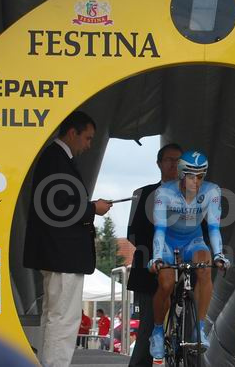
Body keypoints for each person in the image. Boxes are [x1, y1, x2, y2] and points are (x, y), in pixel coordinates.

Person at [23, 111, 113, 367]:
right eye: (88, 138)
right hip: (62, 252)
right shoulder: (56, 159)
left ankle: (48, 363)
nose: (89, 145)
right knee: (63, 317)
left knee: (55, 315)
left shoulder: (55, 159)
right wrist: (92, 208)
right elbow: (58, 205)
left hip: (57, 252)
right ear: (72, 133)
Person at [148, 150, 230, 365]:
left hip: (193, 240)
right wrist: (157, 257)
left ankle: (199, 329)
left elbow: (213, 227)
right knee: (166, 284)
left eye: (201, 176)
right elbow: (160, 229)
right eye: (191, 176)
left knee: (205, 267)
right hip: (168, 242)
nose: (196, 182)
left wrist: (219, 255)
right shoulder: (164, 192)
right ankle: (158, 331)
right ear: (181, 175)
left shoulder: (212, 191)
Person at [127, 144, 182, 367]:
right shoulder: (144, 194)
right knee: (148, 330)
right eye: (169, 160)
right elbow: (133, 233)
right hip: (151, 271)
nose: (174, 164)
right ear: (159, 164)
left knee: (192, 329)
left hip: (185, 268)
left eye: (179, 160)